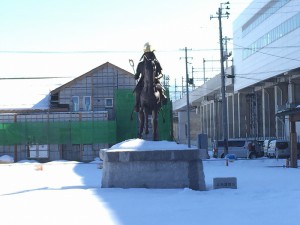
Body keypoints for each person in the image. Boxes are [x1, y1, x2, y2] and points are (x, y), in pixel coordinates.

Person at [134, 42, 167, 112]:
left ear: (152, 53)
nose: (148, 55)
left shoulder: (156, 63)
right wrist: (136, 76)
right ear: (144, 54)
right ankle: (137, 105)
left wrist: (157, 77)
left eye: (149, 54)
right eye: (147, 54)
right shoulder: (141, 64)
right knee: (137, 90)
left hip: (155, 80)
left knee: (160, 88)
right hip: (143, 81)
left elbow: (161, 73)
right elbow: (137, 74)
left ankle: (161, 100)